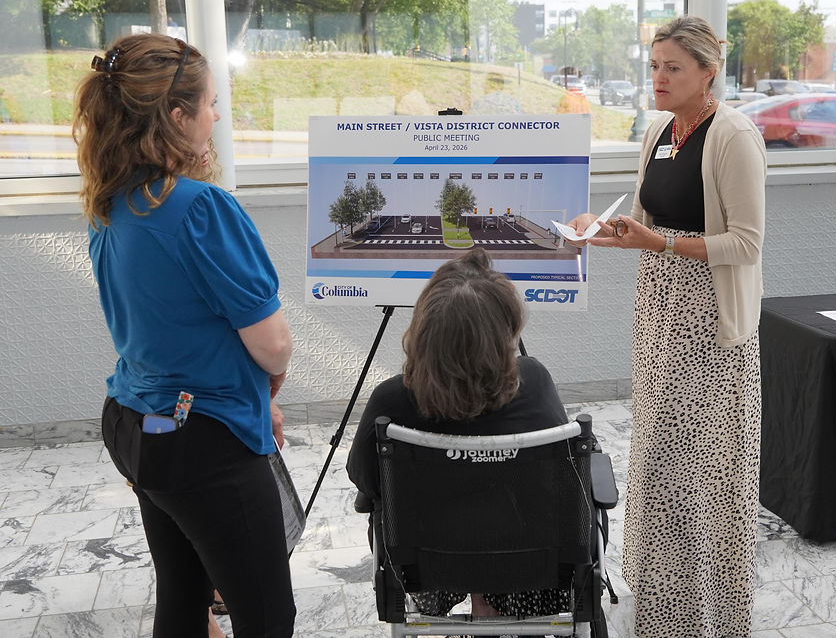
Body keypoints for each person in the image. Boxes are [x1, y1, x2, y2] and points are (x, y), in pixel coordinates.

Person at [75, 33, 296, 637]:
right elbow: (272, 344)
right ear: (177, 117)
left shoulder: (109, 202)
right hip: (203, 442)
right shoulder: (200, 208)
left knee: (183, 597)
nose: (217, 116)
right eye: (210, 104)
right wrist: (260, 390)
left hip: (137, 424)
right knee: (268, 618)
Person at [567, 16, 765, 637]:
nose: (657, 78)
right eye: (653, 66)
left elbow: (747, 243)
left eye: (672, 68)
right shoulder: (660, 130)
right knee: (659, 458)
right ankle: (661, 598)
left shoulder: (733, 135)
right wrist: (603, 232)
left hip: (709, 323)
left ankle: (707, 609)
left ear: (708, 72)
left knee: (701, 466)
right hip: (659, 314)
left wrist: (664, 243)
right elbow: (645, 226)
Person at [346, 247, 570, 619]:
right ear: (504, 330)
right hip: (524, 555)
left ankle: (482, 599)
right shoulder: (535, 381)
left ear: (424, 330)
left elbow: (365, 479)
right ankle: (493, 605)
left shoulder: (391, 401)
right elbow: (562, 474)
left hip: (429, 559)